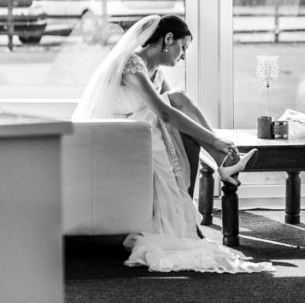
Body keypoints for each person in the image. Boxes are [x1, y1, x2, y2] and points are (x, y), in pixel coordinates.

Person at [72, 14, 272, 274]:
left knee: (177, 96)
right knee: (175, 98)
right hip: (114, 138)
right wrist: (214, 138)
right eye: (183, 47)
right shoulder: (131, 62)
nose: (184, 55)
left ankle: (222, 159)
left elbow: (171, 107)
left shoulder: (156, 71)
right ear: (168, 39)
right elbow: (164, 112)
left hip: (136, 133)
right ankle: (222, 157)